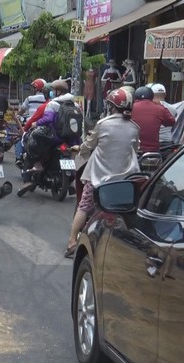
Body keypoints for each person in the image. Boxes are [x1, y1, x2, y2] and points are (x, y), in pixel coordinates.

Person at [65, 88, 140, 258]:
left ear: (112, 106)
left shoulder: (103, 124)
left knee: (84, 206)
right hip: (122, 181)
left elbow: (89, 145)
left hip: (97, 177)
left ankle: (71, 241)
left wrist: (79, 148)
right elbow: (135, 149)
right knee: (124, 211)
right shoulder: (134, 127)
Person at [18, 79, 80, 196]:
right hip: (71, 138)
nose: (51, 92)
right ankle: (71, 184)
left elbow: (48, 119)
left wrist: (35, 124)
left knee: (31, 148)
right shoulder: (75, 104)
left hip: (54, 137)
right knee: (71, 156)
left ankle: (28, 178)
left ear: (57, 91)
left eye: (52, 90)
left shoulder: (52, 104)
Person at [131, 86, 175, 153]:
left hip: (133, 149)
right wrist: (160, 105)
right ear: (152, 97)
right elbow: (171, 122)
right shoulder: (159, 108)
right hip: (153, 151)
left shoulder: (130, 108)